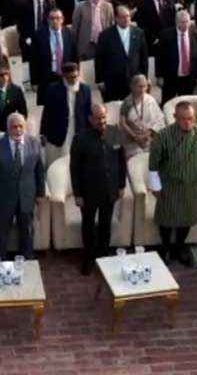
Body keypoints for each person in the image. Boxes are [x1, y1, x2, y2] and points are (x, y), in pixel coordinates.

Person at [148, 101, 197, 266]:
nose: (187, 122)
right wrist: (155, 185)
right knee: (166, 220)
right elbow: (153, 163)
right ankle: (166, 248)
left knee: (187, 219)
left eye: (190, 119)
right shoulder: (162, 136)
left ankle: (179, 248)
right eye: (183, 119)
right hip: (169, 185)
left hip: (191, 185)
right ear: (175, 117)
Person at [70, 103, 128, 274]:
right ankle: (88, 258)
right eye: (98, 118)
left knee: (105, 225)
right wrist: (78, 194)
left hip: (110, 190)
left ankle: (103, 257)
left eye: (103, 117)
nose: (101, 121)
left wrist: (122, 185)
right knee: (88, 226)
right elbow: (74, 169)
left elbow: (121, 161)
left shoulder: (113, 133)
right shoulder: (80, 138)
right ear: (90, 119)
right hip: (88, 193)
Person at [0, 113, 45, 261]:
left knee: (27, 231)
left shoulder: (34, 143)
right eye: (14, 127)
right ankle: (0, 261)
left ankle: (28, 260)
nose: (18, 130)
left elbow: (39, 171)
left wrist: (40, 194)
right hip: (3, 197)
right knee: (1, 231)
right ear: (8, 128)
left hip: (27, 196)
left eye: (20, 127)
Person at [41, 62, 93, 164]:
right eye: (70, 77)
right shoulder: (53, 89)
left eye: (75, 76)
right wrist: (43, 132)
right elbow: (47, 112)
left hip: (78, 129)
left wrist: (90, 132)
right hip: (59, 131)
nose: (73, 80)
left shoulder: (85, 89)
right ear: (64, 76)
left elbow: (88, 112)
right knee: (59, 161)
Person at [120, 74, 165, 154]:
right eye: (139, 86)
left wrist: (147, 134)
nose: (142, 90)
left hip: (150, 136)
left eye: (144, 86)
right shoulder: (127, 102)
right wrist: (135, 137)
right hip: (132, 139)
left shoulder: (150, 100)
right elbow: (122, 123)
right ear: (132, 86)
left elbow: (159, 119)